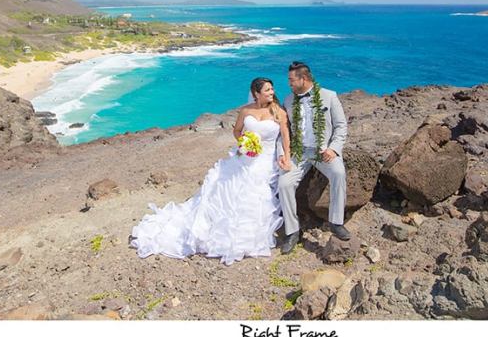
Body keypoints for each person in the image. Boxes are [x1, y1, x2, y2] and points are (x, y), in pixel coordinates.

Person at [129, 78, 287, 265]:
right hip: (245, 156)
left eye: (272, 89)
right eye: (267, 90)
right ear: (256, 94)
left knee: (255, 192)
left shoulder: (278, 111)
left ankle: (246, 236)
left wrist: (286, 156)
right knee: (225, 187)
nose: (271, 92)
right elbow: (237, 131)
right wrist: (244, 143)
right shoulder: (246, 110)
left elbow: (285, 136)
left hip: (266, 159)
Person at [277, 61, 349, 254]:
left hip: (322, 152)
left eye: (292, 80)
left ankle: (336, 222)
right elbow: (283, 132)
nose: (289, 83)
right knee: (284, 183)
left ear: (304, 79)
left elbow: (341, 126)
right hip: (299, 153)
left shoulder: (329, 96)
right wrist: (282, 155)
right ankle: (292, 231)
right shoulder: (288, 100)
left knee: (339, 173)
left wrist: (334, 149)